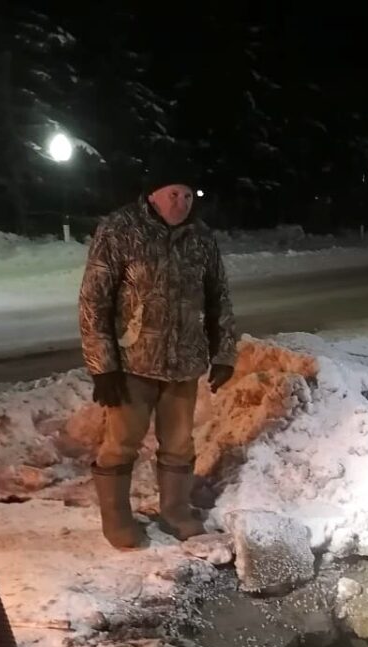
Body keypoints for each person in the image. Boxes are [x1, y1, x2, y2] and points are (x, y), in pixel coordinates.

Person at [78, 150, 237, 549]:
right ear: (152, 195)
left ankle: (175, 512)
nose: (181, 203)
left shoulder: (201, 238)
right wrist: (102, 366)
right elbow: (94, 301)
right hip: (132, 364)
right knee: (121, 444)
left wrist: (223, 353)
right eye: (173, 194)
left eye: (187, 195)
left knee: (180, 445)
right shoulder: (119, 230)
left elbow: (218, 298)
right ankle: (117, 519)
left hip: (184, 364)